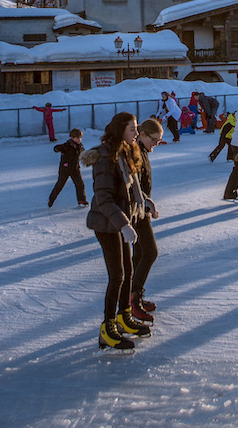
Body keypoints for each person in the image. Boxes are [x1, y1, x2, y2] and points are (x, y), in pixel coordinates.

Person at [82, 112, 152, 350]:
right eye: (133, 129)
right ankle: (107, 327)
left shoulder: (126, 151)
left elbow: (131, 186)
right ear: (121, 129)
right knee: (117, 276)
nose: (136, 133)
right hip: (106, 224)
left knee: (129, 270)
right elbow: (103, 197)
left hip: (121, 221)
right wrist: (123, 224)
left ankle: (124, 317)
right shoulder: (105, 157)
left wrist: (145, 201)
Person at [130, 118, 163, 321]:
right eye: (154, 140)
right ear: (142, 135)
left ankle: (132, 296)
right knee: (150, 252)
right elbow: (133, 182)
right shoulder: (135, 152)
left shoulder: (142, 150)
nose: (156, 144)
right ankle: (133, 298)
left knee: (140, 254)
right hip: (136, 210)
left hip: (141, 208)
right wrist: (144, 201)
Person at [48, 128, 88, 208]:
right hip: (65, 169)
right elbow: (56, 148)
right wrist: (58, 148)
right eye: (77, 138)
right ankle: (51, 199)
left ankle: (81, 200)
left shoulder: (80, 147)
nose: (79, 139)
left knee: (80, 184)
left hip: (75, 169)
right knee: (60, 185)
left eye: (80, 138)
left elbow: (84, 154)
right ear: (72, 138)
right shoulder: (67, 145)